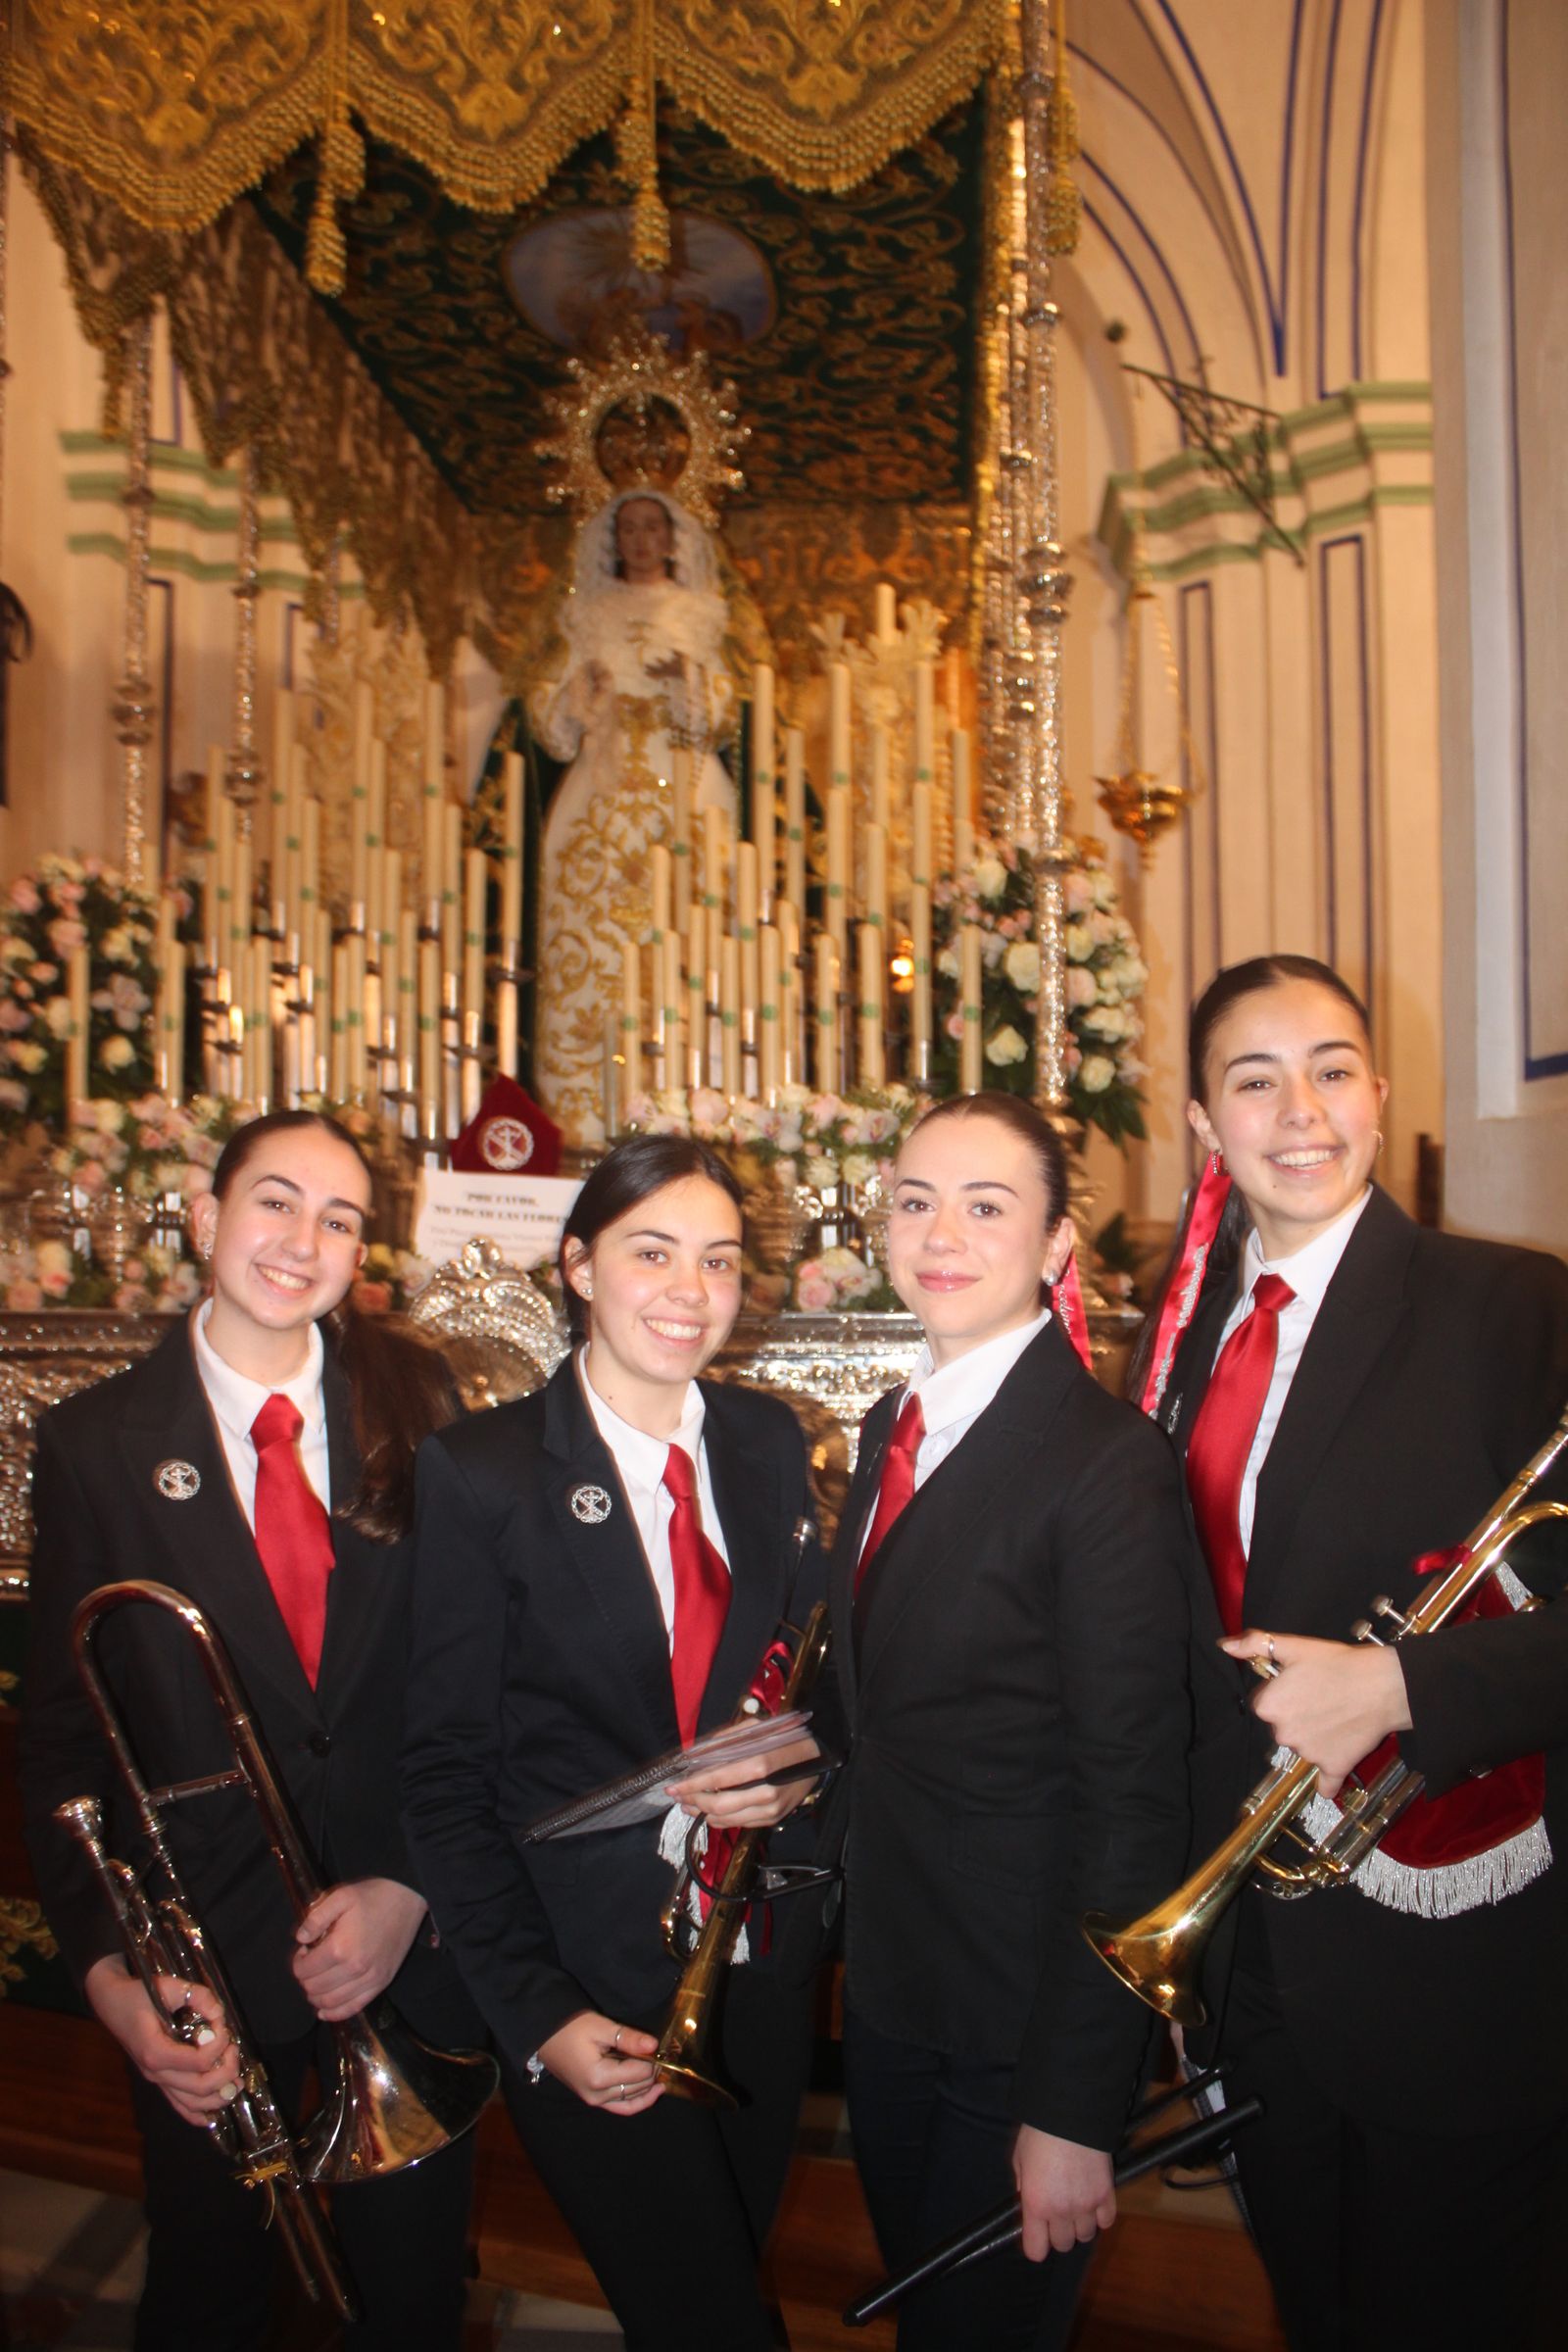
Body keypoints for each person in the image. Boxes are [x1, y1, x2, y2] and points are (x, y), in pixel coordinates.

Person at [1141, 954, 1568, 2352]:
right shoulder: (1182, 1340)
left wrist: (1400, 1687)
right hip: (1252, 1963)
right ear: (1205, 1126)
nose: (1300, 1108)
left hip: (1455, 1975)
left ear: (1381, 1097)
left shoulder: (1511, 1309)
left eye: (1331, 1068)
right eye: (1252, 1080)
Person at [20, 1108, 487, 2352]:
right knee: (206, 2295)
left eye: (339, 1219)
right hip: (209, 1976)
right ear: (203, 1212)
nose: (302, 1240)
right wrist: (121, 1988)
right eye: (275, 1200)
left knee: (411, 2302)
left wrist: (410, 1888)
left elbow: (474, 1682)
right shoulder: (92, 1445)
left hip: (404, 1955)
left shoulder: (418, 1399)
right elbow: (65, 1750)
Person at [400, 1132, 822, 2352]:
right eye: (652, 1253)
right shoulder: (483, 1472)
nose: (690, 1293)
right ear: (578, 1266)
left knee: (724, 2282)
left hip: (755, 1958)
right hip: (587, 1980)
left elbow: (809, 1683)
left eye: (720, 1261)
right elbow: (440, 1774)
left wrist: (795, 1775)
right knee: (704, 2319)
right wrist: (537, 2012)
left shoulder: (764, 1443)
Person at [817, 1091, 1193, 2352]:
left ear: (1052, 1247)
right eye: (915, 1200)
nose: (940, 1233)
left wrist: (1080, 2102)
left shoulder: (1105, 1463)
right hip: (894, 1998)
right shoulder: (890, 1428)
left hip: (1021, 2026)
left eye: (987, 1207)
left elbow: (1135, 1798)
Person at [529, 488, 740, 1145]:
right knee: (591, 945)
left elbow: (725, 710)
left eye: (654, 527)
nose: (642, 540)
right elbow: (549, 719)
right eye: (629, 528)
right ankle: (582, 1121)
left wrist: (686, 680)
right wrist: (579, 692)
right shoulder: (585, 613)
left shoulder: (698, 612)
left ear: (675, 537)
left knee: (682, 938)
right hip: (602, 782)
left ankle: (684, 1111)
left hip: (681, 783)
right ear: (612, 539)